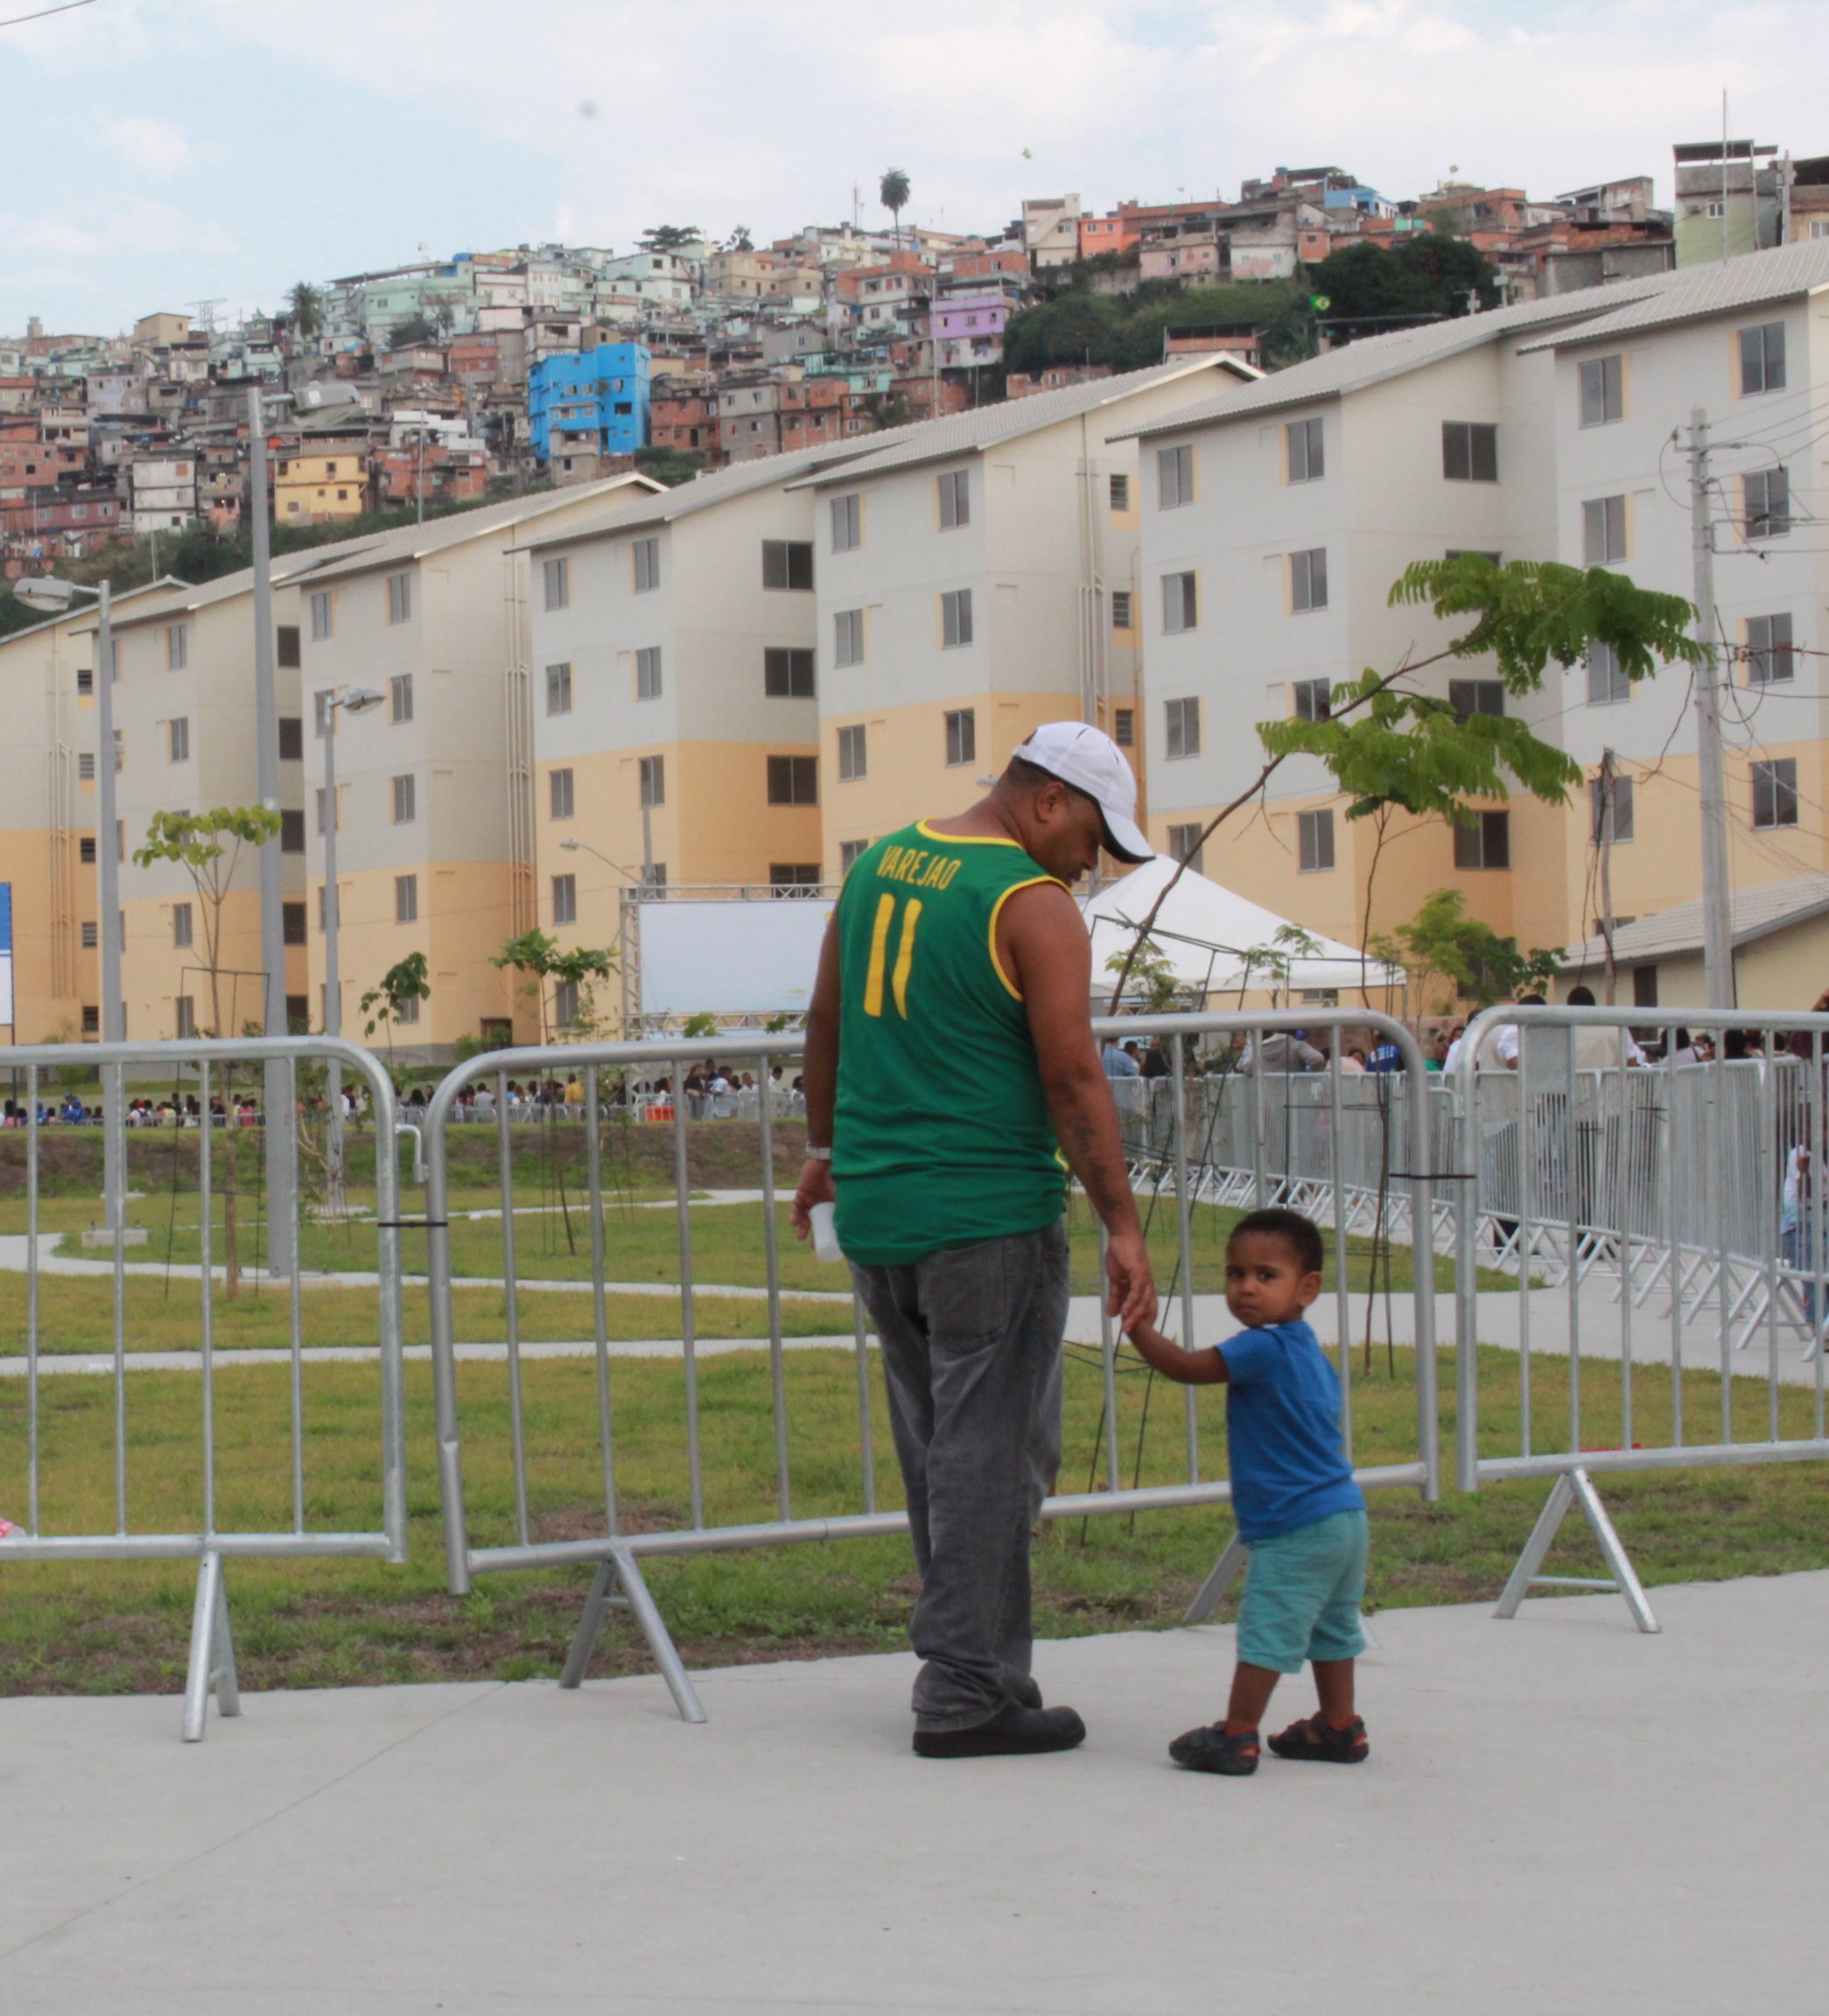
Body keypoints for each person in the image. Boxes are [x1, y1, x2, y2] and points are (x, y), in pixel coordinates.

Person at [793, 721, 1159, 1760]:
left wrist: (822, 1149)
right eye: (1092, 836)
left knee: (943, 1450)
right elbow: (1073, 1075)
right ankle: (960, 1687)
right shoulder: (1030, 905)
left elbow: (824, 1021)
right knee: (997, 1453)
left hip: (880, 1213)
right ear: (1047, 800)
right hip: (988, 1216)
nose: (1090, 864)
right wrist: (1122, 1225)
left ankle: (992, 1675)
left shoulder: (879, 868)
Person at [1125, 1208, 1369, 1776]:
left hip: (1297, 1526)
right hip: (1344, 1517)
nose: (1247, 1288)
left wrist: (1136, 1325)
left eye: (1265, 1275)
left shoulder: (1261, 1348)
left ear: (1307, 1288)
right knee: (1333, 1627)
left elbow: (1186, 1368)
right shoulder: (1304, 1346)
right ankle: (1339, 1727)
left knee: (1268, 1627)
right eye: (1236, 1274)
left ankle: (1236, 1736)